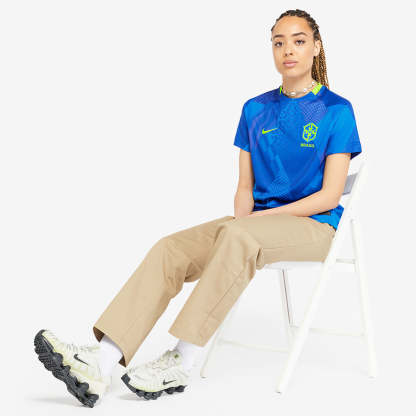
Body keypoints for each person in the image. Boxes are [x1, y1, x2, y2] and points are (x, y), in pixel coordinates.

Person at [33, 8, 362, 408]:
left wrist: (251, 224)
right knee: (171, 248)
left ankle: (181, 360)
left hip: (315, 227)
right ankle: (100, 364)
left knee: (239, 236)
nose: (288, 50)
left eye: (298, 41)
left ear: (316, 47)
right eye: (279, 42)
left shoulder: (335, 110)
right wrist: (245, 220)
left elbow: (329, 197)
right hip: (253, 226)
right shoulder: (255, 109)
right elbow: (245, 187)